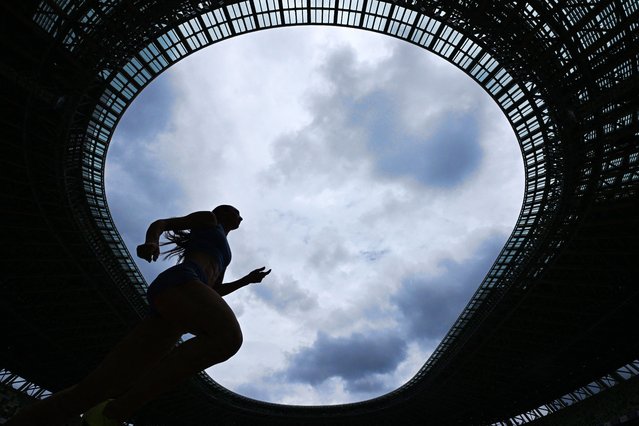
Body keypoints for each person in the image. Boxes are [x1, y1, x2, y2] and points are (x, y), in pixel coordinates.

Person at [7, 205, 270, 425]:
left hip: (182, 303)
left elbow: (214, 290)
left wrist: (246, 281)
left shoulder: (225, 252)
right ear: (222, 212)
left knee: (94, 390)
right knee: (227, 338)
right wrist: (151, 241)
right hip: (180, 282)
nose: (241, 217)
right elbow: (163, 222)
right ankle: (114, 413)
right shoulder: (208, 219)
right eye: (236, 212)